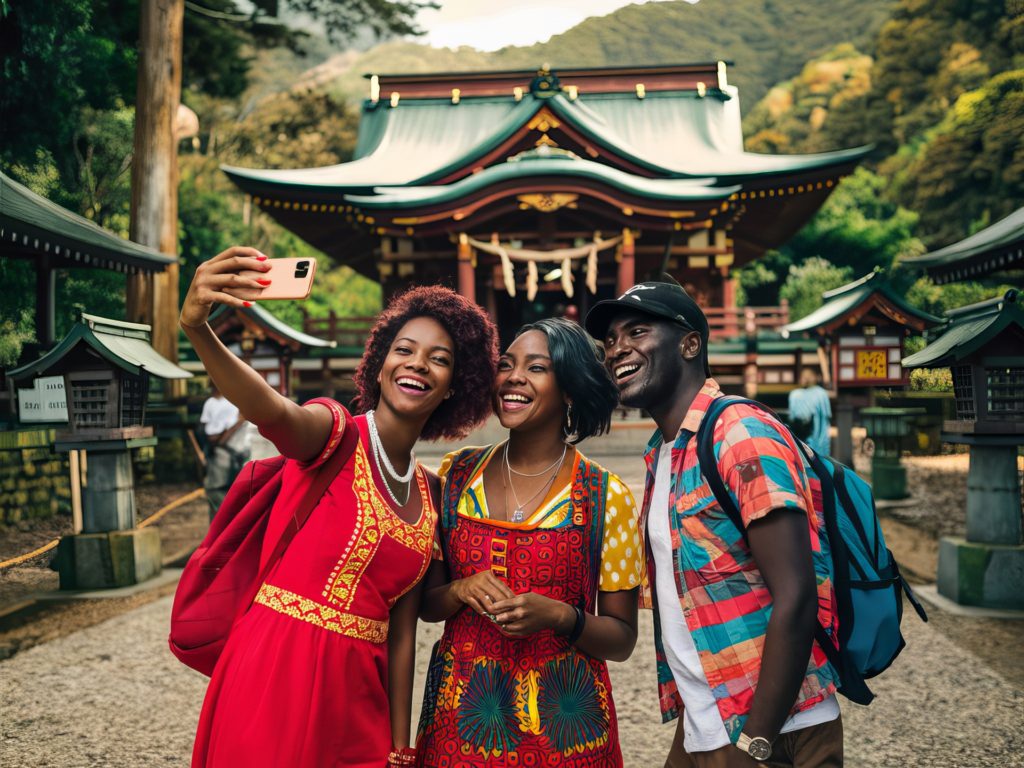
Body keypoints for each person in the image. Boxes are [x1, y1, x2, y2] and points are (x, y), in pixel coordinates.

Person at [178, 246, 499, 768]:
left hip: (359, 698)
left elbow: (403, 632)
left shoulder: (432, 493)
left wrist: (400, 744)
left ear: (453, 388)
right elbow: (270, 410)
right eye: (404, 350)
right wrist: (198, 331)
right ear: (379, 365)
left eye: (439, 359)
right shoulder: (333, 435)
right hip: (273, 672)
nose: (417, 363)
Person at [585, 282, 842, 768]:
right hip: (706, 720)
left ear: (690, 344)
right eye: (610, 341)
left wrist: (758, 739)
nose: (617, 348)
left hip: (774, 727)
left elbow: (797, 593)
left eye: (637, 331)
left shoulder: (739, 434)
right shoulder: (663, 455)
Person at [415, 318, 642, 767]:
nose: (513, 377)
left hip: (567, 731)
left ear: (571, 389)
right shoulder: (455, 475)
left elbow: (621, 639)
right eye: (506, 365)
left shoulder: (605, 496)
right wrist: (459, 590)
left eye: (536, 367)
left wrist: (560, 615)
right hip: (459, 722)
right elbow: (428, 604)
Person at [198, 383, 251, 516]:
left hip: (231, 451)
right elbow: (208, 431)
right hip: (222, 450)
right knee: (219, 492)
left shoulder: (235, 402)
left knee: (222, 492)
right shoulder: (211, 403)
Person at [787, 368, 832, 457]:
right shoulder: (821, 394)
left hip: (800, 438)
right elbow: (827, 416)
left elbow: (792, 417)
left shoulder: (794, 395)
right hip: (818, 439)